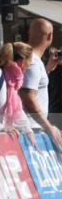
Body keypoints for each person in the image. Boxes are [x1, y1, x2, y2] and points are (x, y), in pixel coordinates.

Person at [21, 18, 62, 148]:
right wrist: (49, 127)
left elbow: (34, 86)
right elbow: (28, 98)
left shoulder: (33, 60)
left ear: (28, 33)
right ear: (50, 36)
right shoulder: (32, 61)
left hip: (34, 127)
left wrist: (48, 69)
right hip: (32, 129)